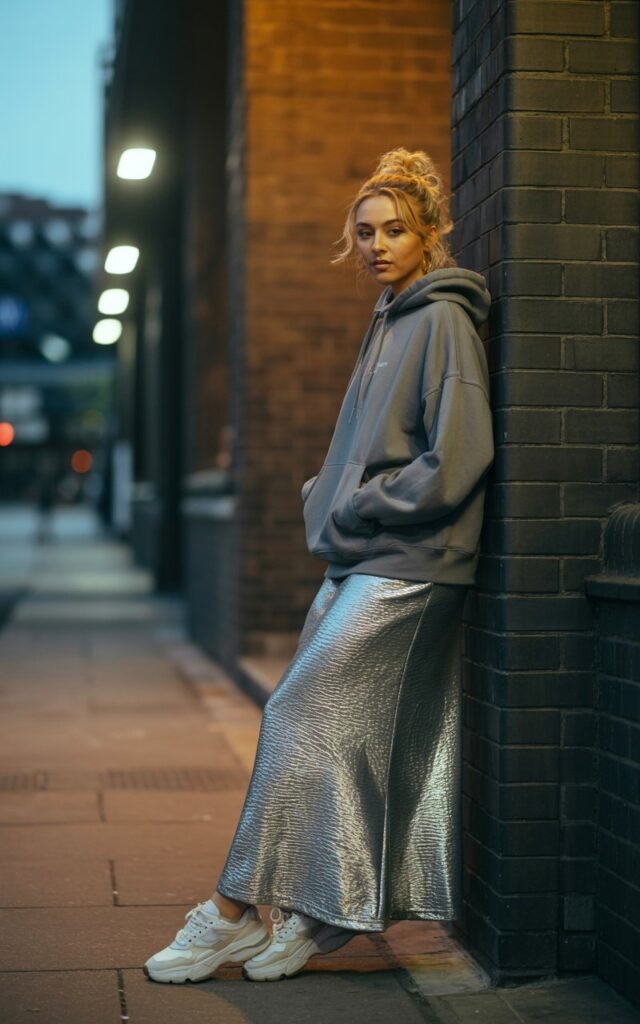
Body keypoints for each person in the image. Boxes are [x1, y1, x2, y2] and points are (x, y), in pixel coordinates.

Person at [145, 148, 494, 984]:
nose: (377, 245)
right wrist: (326, 495)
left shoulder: (443, 319)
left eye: (395, 231)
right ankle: (313, 912)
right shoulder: (389, 314)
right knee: (334, 739)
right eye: (365, 232)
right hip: (359, 557)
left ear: (429, 233)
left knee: (296, 716)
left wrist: (357, 503)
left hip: (413, 563)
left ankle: (228, 913)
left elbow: (461, 455)